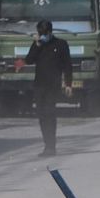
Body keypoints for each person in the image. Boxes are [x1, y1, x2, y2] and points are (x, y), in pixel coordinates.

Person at [23, 19, 73, 156]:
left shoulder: (61, 44)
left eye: (44, 33)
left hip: (53, 85)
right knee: (41, 115)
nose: (43, 35)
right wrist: (37, 44)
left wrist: (68, 84)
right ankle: (47, 144)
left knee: (50, 114)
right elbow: (29, 60)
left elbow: (67, 65)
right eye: (40, 33)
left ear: (50, 32)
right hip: (39, 85)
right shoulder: (38, 45)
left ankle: (51, 146)